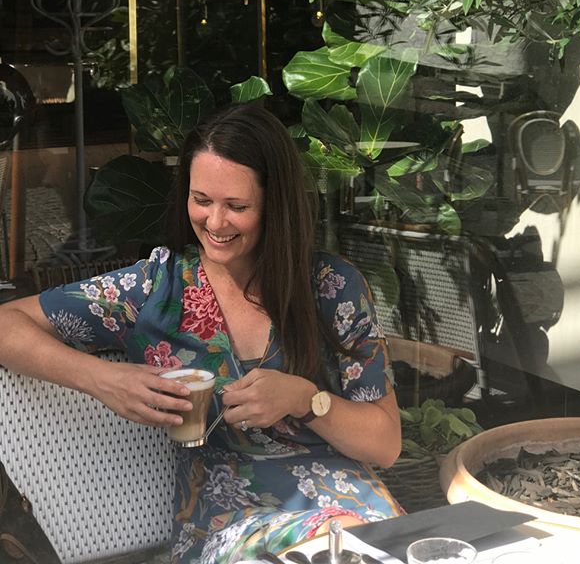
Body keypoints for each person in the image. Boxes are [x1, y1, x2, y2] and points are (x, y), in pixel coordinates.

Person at [0, 101, 403, 564]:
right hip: (231, 517)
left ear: (275, 204)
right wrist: (104, 380)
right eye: (202, 200)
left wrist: (306, 400)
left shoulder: (332, 287)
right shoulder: (155, 289)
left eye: (237, 206)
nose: (214, 223)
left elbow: (384, 444)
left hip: (351, 504)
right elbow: (7, 324)